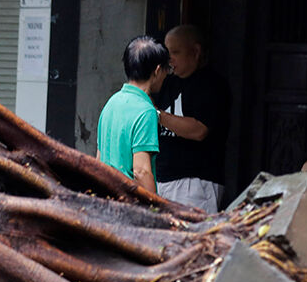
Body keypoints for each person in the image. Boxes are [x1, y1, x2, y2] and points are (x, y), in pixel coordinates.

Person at [154, 24, 231, 213]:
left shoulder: (212, 85)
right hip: (163, 179)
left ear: (195, 51)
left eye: (176, 52)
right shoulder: (167, 83)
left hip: (195, 183)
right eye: (167, 52)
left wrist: (157, 115)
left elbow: (199, 130)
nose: (169, 59)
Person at [96, 36, 169, 193]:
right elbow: (141, 171)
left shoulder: (111, 103)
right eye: (166, 69)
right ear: (157, 70)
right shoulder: (146, 111)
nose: (166, 75)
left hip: (105, 197)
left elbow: (99, 160)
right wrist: (155, 209)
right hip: (128, 204)